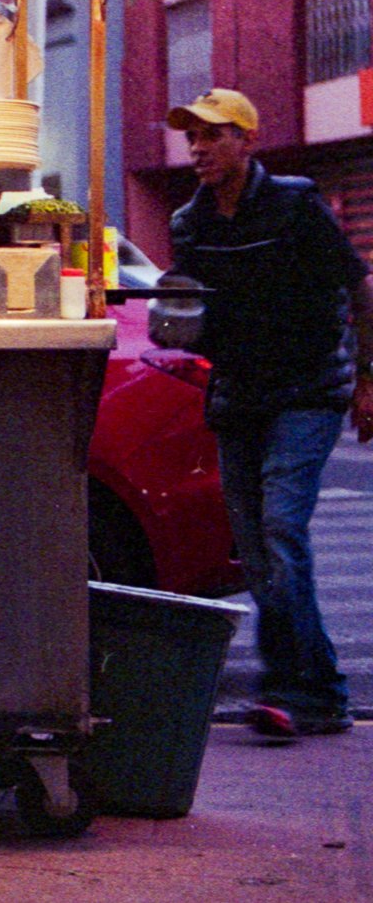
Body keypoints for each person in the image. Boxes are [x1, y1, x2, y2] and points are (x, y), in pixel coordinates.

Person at [163, 87, 373, 740]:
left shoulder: (295, 202)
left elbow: (358, 283)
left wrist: (368, 378)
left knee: (282, 529)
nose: (197, 146)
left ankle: (289, 690)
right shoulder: (189, 225)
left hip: (308, 392)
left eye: (212, 134)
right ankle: (324, 691)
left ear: (246, 140)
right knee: (256, 557)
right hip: (240, 398)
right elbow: (190, 316)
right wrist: (174, 324)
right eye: (191, 135)